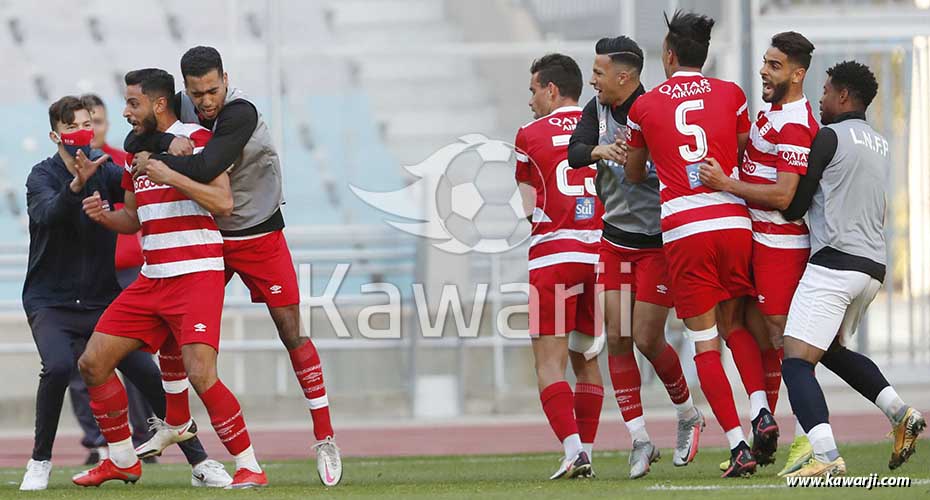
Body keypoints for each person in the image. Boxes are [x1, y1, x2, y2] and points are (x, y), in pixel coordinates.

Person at [126, 46, 341, 486]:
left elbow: (206, 165)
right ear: (185, 89)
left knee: (290, 332)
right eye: (197, 92)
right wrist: (167, 140)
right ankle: (178, 420)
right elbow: (134, 140)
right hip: (212, 239)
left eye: (213, 89)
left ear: (226, 78)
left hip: (259, 232)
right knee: (173, 323)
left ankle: (324, 435)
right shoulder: (182, 108)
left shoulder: (241, 111)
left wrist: (162, 156)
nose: (206, 101)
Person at [19, 96, 225, 491]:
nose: (83, 133)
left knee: (148, 374)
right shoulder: (40, 176)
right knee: (59, 367)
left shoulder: (107, 169)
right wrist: (75, 187)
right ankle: (40, 460)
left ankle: (200, 460)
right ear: (54, 136)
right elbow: (47, 215)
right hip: (51, 301)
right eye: (72, 128)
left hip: (101, 299)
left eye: (88, 124)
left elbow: (137, 171)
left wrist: (167, 150)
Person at [73, 68, 265, 489]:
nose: (125, 111)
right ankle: (122, 459)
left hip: (196, 275)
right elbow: (132, 217)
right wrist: (105, 217)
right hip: (152, 278)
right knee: (92, 363)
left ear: (159, 104)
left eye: (132, 103)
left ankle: (250, 464)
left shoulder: (196, 140)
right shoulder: (136, 154)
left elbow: (223, 202)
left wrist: (171, 173)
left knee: (201, 374)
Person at [623, 10, 772, 478]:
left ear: (668, 54)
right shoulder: (731, 94)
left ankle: (738, 446)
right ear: (702, 54)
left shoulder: (644, 107)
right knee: (736, 324)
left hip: (686, 230)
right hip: (733, 219)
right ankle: (762, 410)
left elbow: (631, 173)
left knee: (704, 342)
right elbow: (745, 148)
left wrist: (655, 158)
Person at [779, 60, 925, 478]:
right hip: (871, 268)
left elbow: (794, 205)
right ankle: (899, 412)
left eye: (825, 91)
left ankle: (825, 455)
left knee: (796, 361)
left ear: (844, 96)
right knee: (830, 351)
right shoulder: (879, 142)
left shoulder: (828, 137)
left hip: (834, 265)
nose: (820, 99)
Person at [567, 35, 702, 479]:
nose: (593, 80)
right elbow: (574, 154)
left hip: (657, 243)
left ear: (625, 77)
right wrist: (600, 150)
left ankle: (686, 412)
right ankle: (640, 438)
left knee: (647, 338)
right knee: (618, 336)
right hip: (615, 241)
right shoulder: (597, 110)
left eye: (599, 73)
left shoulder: (654, 110)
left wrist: (640, 166)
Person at [698, 32, 818, 470]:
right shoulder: (773, 113)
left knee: (785, 341)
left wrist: (727, 185)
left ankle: (812, 439)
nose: (764, 71)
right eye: (765, 62)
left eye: (775, 65)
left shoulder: (794, 123)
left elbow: (785, 195)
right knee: (739, 325)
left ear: (797, 73)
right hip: (753, 239)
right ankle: (762, 417)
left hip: (779, 246)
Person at [515, 53, 603, 480]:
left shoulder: (529, 134)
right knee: (587, 358)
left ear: (551, 89)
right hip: (601, 256)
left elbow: (527, 207)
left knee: (549, 365)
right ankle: (586, 448)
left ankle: (572, 450)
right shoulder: (602, 129)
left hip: (553, 257)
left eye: (533, 90)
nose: (530, 100)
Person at [67, 93, 155, 467]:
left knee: (134, 359)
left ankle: (144, 435)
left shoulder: (123, 164)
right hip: (82, 276)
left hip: (127, 273)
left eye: (97, 121)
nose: (92, 129)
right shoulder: (60, 171)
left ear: (104, 124)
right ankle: (98, 440)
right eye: (84, 123)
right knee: (80, 361)